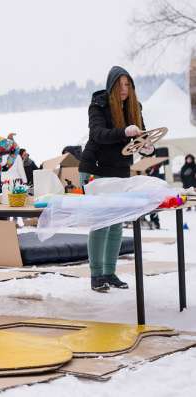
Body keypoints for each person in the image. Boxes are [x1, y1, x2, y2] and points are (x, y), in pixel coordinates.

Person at [79, 66, 154, 292]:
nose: (124, 89)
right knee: (101, 223)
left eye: (128, 84)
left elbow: (142, 136)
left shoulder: (134, 107)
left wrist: (148, 147)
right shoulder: (98, 104)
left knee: (116, 224)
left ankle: (109, 272)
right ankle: (96, 275)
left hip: (121, 169)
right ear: (111, 86)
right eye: (120, 84)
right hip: (97, 168)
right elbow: (98, 134)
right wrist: (124, 132)